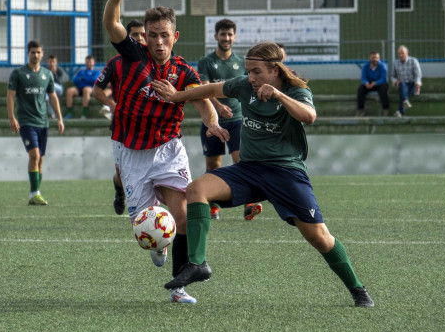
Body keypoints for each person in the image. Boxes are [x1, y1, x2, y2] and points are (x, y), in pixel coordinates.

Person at [152, 41, 374, 308]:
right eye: (248, 71)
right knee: (197, 189)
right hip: (249, 170)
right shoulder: (245, 86)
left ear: (275, 70)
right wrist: (177, 96)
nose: (251, 78)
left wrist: (280, 96)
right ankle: (198, 263)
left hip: (286, 173)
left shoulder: (296, 91)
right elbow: (212, 88)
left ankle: (358, 289)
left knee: (320, 238)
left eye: (257, 72)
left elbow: (310, 116)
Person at [102, 0, 228, 304]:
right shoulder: (133, 56)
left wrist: (212, 121)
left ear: (175, 37)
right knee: (146, 228)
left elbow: (201, 99)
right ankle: (158, 242)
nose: (157, 41)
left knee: (183, 213)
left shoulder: (185, 70)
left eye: (164, 35)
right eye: (152, 34)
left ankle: (179, 286)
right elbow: (111, 23)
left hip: (169, 150)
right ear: (146, 36)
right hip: (134, 154)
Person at [197, 18, 263, 222]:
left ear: (234, 37)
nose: (226, 38)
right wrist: (218, 107)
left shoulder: (241, 63)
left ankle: (249, 204)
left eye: (229, 34)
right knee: (214, 165)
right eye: (222, 34)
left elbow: (250, 87)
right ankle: (213, 205)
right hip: (213, 121)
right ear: (216, 36)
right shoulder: (206, 62)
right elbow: (205, 89)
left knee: (241, 161)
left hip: (237, 120)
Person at [92, 19, 147, 216]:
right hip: (121, 126)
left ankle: (144, 209)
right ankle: (119, 192)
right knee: (121, 173)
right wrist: (112, 105)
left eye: (143, 34)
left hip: (146, 127)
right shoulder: (115, 63)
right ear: (127, 36)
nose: (140, 38)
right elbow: (96, 91)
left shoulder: (153, 60)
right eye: (135, 35)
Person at [7, 40, 65, 206]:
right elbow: (10, 95)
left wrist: (59, 118)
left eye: (38, 52)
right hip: (26, 121)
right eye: (33, 52)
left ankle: (36, 194)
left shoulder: (47, 74)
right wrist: (12, 117)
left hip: (43, 121)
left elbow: (53, 97)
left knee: (40, 160)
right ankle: (35, 193)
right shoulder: (18, 73)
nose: (36, 55)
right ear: (28, 53)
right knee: (34, 155)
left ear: (42, 53)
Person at [65, 55, 103, 120]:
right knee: (69, 90)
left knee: (86, 90)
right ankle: (69, 113)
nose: (89, 63)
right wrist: (86, 80)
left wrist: (83, 79)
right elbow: (75, 80)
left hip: (91, 89)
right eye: (87, 62)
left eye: (90, 62)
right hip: (80, 88)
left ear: (93, 62)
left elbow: (94, 80)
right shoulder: (81, 72)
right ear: (85, 63)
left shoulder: (96, 72)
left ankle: (84, 114)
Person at [356, 51, 390, 117]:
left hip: (379, 84)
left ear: (379, 58)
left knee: (383, 89)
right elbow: (363, 78)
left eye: (376, 58)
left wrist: (375, 83)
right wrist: (366, 83)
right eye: (373, 58)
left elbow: (383, 79)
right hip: (369, 84)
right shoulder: (365, 67)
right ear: (369, 58)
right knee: (360, 89)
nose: (374, 59)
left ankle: (385, 110)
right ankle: (360, 110)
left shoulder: (383, 66)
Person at [391, 45, 422, 118]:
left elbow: (418, 75)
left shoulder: (413, 61)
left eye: (402, 53)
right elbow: (392, 76)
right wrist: (395, 81)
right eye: (399, 53)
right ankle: (405, 102)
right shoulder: (395, 63)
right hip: (401, 84)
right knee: (402, 85)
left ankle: (400, 111)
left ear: (407, 53)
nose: (400, 55)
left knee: (403, 93)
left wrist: (417, 85)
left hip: (412, 84)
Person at [45, 55, 65, 119]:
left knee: (51, 84)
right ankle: (52, 114)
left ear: (56, 62)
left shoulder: (59, 70)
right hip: (49, 91)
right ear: (48, 62)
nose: (52, 63)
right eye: (50, 62)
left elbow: (59, 81)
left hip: (59, 89)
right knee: (47, 97)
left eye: (53, 62)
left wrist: (55, 74)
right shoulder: (45, 70)